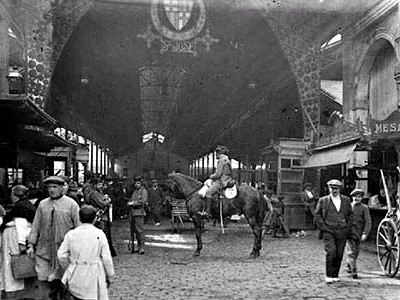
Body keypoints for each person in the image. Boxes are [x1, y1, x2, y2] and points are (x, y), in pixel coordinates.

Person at [27, 176, 80, 300]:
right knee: (44, 279)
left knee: (65, 280)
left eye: (55, 187)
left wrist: (77, 246)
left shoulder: (71, 204)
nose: (51, 190)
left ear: (62, 188)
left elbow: (79, 226)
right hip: (44, 249)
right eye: (49, 187)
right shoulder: (43, 204)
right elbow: (36, 225)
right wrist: (31, 244)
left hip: (64, 249)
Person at [58, 205, 115, 300]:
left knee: (76, 296)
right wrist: (110, 274)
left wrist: (70, 265)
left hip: (76, 272)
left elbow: (61, 255)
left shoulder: (71, 234)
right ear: (94, 219)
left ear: (79, 218)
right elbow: (106, 257)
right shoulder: (99, 234)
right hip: (94, 272)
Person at [315, 179, 353, 284]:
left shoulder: (346, 200)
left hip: (342, 230)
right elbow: (317, 215)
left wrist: (347, 228)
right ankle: (329, 275)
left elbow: (350, 215)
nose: (334, 190)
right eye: (332, 188)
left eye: (336, 188)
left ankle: (335, 274)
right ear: (328, 188)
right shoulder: (323, 200)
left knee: (339, 253)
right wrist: (323, 227)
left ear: (340, 189)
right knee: (331, 252)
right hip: (328, 230)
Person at [0, 185, 36, 298]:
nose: (11, 197)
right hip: (15, 235)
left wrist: (21, 243)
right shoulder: (27, 205)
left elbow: (21, 225)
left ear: (15, 196)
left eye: (12, 194)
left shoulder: (20, 207)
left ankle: (12, 290)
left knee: (11, 262)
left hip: (14, 237)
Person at [82, 179, 117, 257]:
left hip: (101, 216)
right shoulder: (94, 193)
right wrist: (108, 200)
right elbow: (102, 204)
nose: (101, 186)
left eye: (101, 184)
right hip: (100, 217)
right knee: (102, 234)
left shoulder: (98, 193)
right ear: (94, 185)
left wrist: (104, 197)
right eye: (99, 184)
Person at [199, 145, 233, 218]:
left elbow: (218, 174)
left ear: (218, 153)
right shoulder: (227, 160)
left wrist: (211, 177)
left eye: (216, 154)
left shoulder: (221, 161)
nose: (215, 156)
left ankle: (207, 212)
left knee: (208, 192)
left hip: (221, 181)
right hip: (228, 179)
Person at [346, 189, 371, 279]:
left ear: (361, 198)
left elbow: (368, 222)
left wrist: (365, 233)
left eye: (359, 197)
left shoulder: (364, 208)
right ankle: (354, 271)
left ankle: (349, 263)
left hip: (359, 233)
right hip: (349, 233)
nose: (357, 198)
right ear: (352, 197)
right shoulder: (348, 207)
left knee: (356, 252)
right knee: (352, 252)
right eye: (355, 196)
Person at [127, 176, 148, 254]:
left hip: (139, 212)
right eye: (135, 183)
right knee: (135, 231)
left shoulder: (143, 191)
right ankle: (138, 246)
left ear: (141, 183)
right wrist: (130, 202)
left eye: (138, 183)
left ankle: (142, 247)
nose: (136, 185)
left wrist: (133, 203)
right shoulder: (135, 191)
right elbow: (133, 199)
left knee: (140, 231)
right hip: (133, 213)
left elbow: (143, 201)